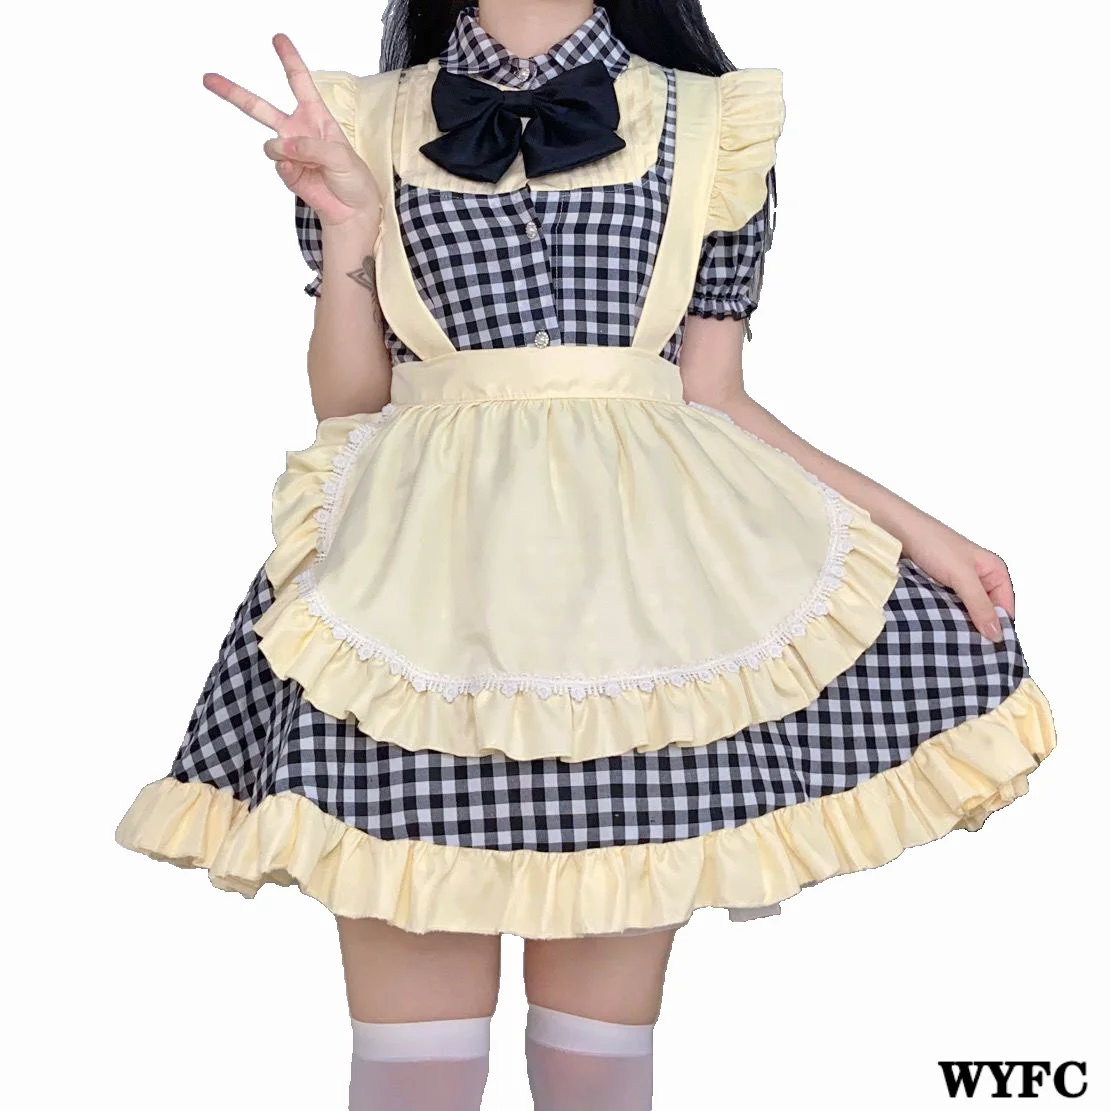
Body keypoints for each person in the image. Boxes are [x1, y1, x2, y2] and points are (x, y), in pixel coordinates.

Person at [114, 3, 1056, 1108]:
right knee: (412, 1071)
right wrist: (351, 233)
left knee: (595, 1067)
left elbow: (712, 394)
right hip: (414, 616)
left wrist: (923, 533)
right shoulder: (360, 121)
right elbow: (353, 408)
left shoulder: (711, 123)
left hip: (638, 622)